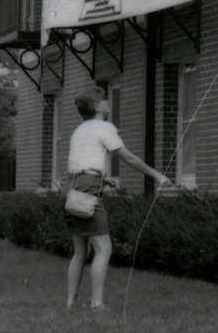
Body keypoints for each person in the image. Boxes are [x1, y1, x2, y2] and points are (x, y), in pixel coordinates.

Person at [65, 85, 171, 310]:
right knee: (104, 248)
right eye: (103, 100)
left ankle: (70, 303)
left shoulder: (79, 129)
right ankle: (96, 304)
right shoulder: (105, 127)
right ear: (97, 107)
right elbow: (129, 158)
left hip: (73, 187)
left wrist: (103, 180)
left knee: (80, 250)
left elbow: (81, 164)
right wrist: (157, 175)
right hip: (87, 188)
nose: (106, 102)